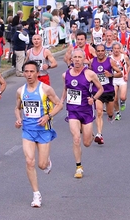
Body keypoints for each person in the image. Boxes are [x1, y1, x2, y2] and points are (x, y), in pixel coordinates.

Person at [15, 61, 63, 207]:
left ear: (37, 73)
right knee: (29, 161)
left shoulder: (46, 89)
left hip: (43, 130)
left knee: (41, 165)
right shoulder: (20, 91)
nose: (29, 74)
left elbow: (59, 104)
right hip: (28, 131)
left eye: (31, 71)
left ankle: (47, 162)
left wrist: (48, 116)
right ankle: (36, 195)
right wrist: (18, 119)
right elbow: (17, 108)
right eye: (26, 71)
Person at [61, 48, 103, 178]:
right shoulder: (66, 74)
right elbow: (66, 88)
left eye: (80, 57)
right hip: (72, 110)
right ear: (71, 59)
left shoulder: (90, 74)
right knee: (76, 138)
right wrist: (61, 100)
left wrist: (94, 98)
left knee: (86, 143)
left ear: (84, 59)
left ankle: (88, 132)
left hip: (86, 111)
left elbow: (100, 88)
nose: (77, 60)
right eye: (75, 57)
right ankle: (78, 167)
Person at [90, 44, 122, 144]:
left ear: (105, 51)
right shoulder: (92, 62)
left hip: (109, 91)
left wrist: (111, 75)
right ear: (95, 52)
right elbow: (88, 73)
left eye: (102, 51)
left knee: (110, 113)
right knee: (99, 112)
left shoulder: (110, 61)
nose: (100, 53)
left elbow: (120, 73)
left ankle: (111, 115)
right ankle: (99, 134)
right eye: (98, 51)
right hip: (97, 91)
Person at [111, 42, 130, 121]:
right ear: (112, 49)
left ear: (120, 49)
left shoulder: (124, 57)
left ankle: (123, 102)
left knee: (122, 97)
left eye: (118, 48)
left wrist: (127, 74)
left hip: (122, 78)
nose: (116, 50)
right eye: (115, 48)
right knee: (114, 98)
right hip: (114, 79)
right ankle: (117, 112)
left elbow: (129, 66)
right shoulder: (109, 58)